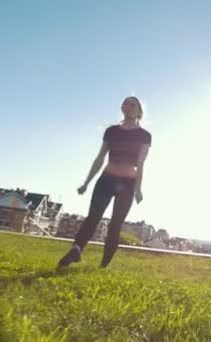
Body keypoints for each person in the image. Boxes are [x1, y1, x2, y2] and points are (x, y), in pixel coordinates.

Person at [57, 96, 151, 269]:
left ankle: (103, 265)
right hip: (106, 180)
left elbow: (140, 163)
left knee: (116, 224)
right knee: (93, 217)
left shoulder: (144, 136)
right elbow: (100, 157)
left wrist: (138, 189)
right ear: (122, 108)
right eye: (125, 103)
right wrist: (86, 182)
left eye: (132, 104)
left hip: (128, 184)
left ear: (139, 111)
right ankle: (76, 249)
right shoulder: (112, 131)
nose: (128, 106)